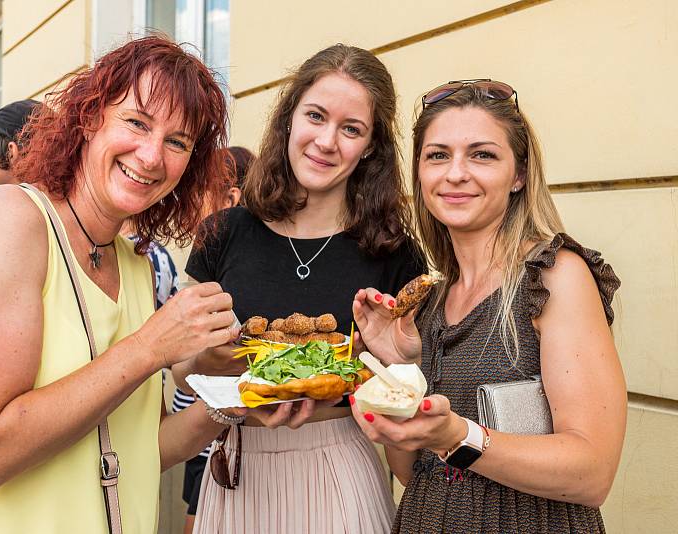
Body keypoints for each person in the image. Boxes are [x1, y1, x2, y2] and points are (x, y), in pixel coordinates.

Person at [0, 35, 243, 533]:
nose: (152, 155)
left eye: (178, 141)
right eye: (136, 122)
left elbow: (138, 445)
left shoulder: (132, 266)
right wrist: (150, 347)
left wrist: (238, 400)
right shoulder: (7, 222)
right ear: (89, 117)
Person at [349, 80, 626, 533]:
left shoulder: (554, 276)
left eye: (482, 154)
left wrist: (460, 436)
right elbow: (418, 472)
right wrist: (387, 366)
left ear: (518, 174)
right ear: (420, 172)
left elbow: (591, 473)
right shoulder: (433, 298)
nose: (455, 173)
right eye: (437, 155)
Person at [176, 45, 427, 534]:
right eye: (315, 115)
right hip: (236, 470)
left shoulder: (392, 251)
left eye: (351, 128)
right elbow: (183, 376)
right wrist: (208, 359)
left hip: (339, 470)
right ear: (290, 118)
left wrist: (397, 367)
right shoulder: (224, 232)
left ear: (371, 147)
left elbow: (410, 391)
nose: (326, 141)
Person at [172, 145, 254, 534]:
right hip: (200, 431)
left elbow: (188, 364)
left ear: (231, 199)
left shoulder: (222, 265)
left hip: (212, 436)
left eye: (197, 189)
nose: (186, 200)